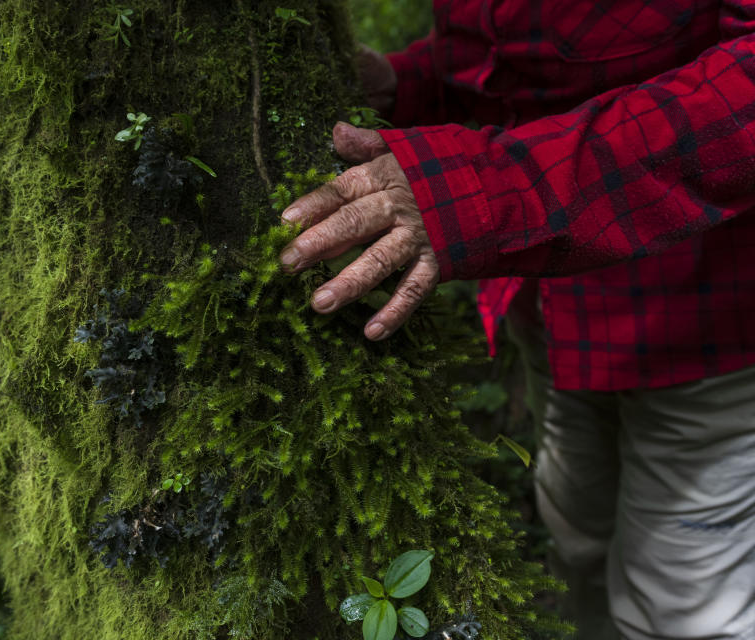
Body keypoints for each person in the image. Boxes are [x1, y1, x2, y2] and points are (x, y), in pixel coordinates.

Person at [279, 2, 755, 638]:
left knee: (684, 610)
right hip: (559, 317)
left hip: (712, 317)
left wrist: (485, 193)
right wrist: (415, 82)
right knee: (578, 543)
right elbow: (518, 55)